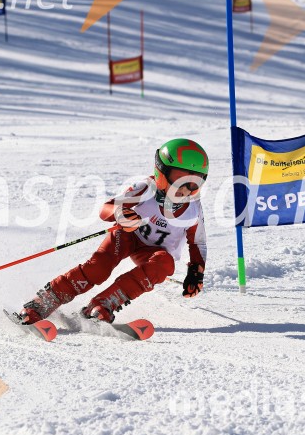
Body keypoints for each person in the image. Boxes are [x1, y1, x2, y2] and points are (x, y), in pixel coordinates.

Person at [17, 138, 209, 325]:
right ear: (161, 172)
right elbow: (106, 208)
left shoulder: (193, 209)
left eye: (194, 183)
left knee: (164, 264)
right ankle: (43, 302)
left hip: (152, 253)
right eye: (179, 178)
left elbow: (197, 242)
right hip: (128, 236)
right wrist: (120, 214)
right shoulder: (146, 189)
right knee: (98, 268)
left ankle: (102, 305)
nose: (185, 189)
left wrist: (196, 271)